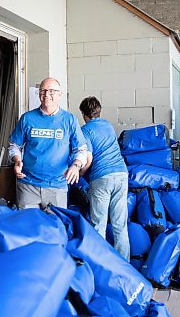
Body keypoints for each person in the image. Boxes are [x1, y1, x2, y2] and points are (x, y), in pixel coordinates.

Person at [9, 77, 87, 209]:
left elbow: (81, 149)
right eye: (43, 91)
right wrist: (17, 160)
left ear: (59, 94)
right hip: (28, 185)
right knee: (27, 228)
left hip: (57, 187)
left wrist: (76, 166)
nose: (46, 95)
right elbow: (14, 146)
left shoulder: (69, 120)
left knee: (55, 228)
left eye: (51, 91)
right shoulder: (27, 118)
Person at [78, 96, 130, 261]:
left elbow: (88, 159)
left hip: (102, 177)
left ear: (84, 114)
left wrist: (78, 173)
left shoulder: (85, 130)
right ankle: (124, 266)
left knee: (98, 224)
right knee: (120, 225)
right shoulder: (108, 125)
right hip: (122, 174)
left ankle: (100, 265)